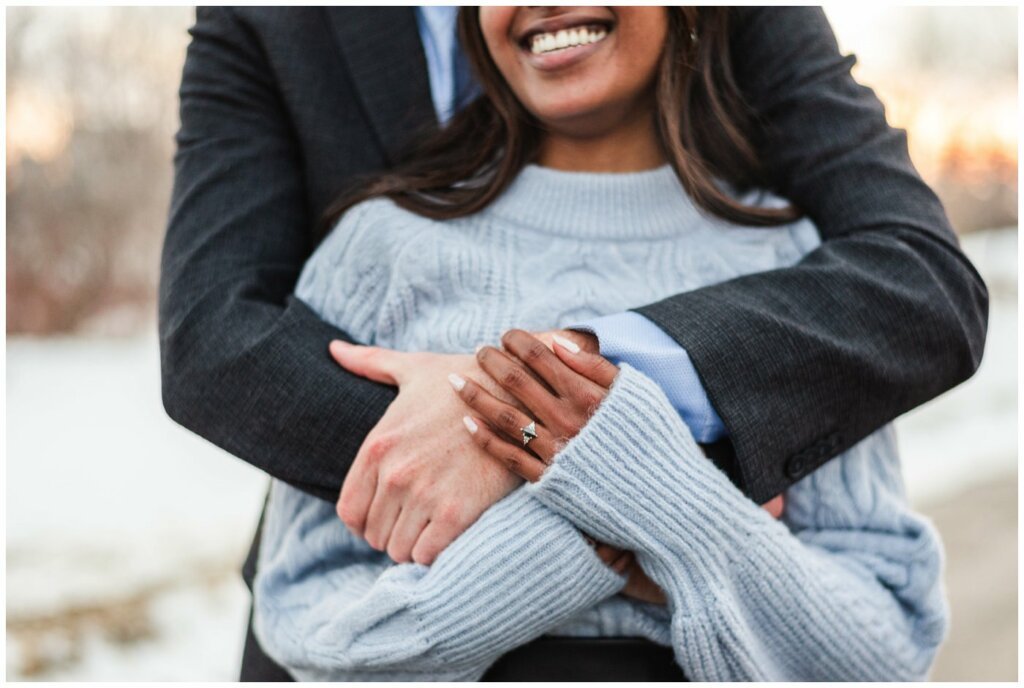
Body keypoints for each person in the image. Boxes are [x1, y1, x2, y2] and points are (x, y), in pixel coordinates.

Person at [159, 6, 987, 681]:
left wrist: (638, 495)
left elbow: (881, 646)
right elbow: (308, 614)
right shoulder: (379, 248)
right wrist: (612, 522)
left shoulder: (793, 275)